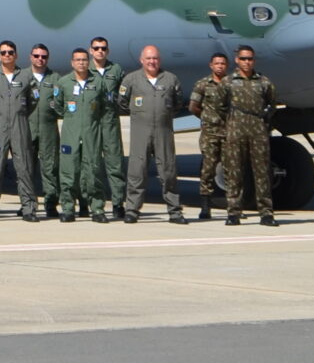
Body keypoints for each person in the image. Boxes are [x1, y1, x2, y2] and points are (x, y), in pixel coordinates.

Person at [116, 44, 185, 224]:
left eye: (155, 58)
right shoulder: (131, 80)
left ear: (159, 60)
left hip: (163, 132)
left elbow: (177, 103)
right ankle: (132, 210)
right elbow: (122, 102)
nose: (152, 62)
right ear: (141, 60)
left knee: (168, 171)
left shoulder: (170, 79)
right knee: (137, 171)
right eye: (148, 58)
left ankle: (174, 211)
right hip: (140, 131)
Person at [0, 39, 39, 221]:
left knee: (24, 168)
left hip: (20, 127)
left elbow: (33, 100)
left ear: (16, 55)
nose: (7, 55)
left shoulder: (26, 76)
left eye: (10, 52)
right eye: (3, 52)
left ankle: (28, 208)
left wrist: (19, 113)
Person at [220, 45, 281, 226]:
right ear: (237, 60)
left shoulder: (263, 82)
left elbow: (272, 104)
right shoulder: (228, 82)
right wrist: (232, 123)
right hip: (235, 132)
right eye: (243, 59)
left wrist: (262, 123)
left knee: (262, 173)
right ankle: (233, 213)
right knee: (234, 173)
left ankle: (266, 213)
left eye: (250, 59)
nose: (247, 62)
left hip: (258, 132)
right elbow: (220, 106)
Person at [53, 47, 110, 222]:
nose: (81, 63)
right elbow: (58, 106)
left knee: (93, 172)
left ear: (89, 61)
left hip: (91, 134)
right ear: (72, 62)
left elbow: (104, 107)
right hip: (70, 134)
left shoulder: (98, 83)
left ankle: (97, 209)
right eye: (78, 60)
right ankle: (68, 209)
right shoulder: (64, 83)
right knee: (69, 172)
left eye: (84, 60)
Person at [86, 36, 126, 222]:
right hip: (91, 122)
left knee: (115, 164)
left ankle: (118, 204)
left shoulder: (116, 70)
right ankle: (96, 205)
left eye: (103, 48)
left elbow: (125, 92)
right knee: (93, 165)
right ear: (91, 50)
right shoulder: (86, 70)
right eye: (96, 48)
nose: (100, 51)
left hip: (110, 122)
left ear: (107, 51)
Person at [189, 51, 232, 221]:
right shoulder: (203, 84)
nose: (220, 66)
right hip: (210, 133)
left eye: (222, 63)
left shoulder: (233, 84)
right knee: (208, 169)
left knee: (232, 169)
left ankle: (233, 206)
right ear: (211, 65)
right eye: (217, 63)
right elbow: (193, 106)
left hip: (229, 132)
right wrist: (207, 118)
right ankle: (205, 206)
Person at [26, 43, 64, 218]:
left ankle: (50, 203)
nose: (40, 59)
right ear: (30, 57)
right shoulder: (23, 77)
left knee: (50, 167)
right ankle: (28, 204)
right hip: (27, 127)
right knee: (26, 168)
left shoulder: (55, 78)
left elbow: (63, 102)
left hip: (48, 128)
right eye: (36, 56)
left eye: (43, 57)